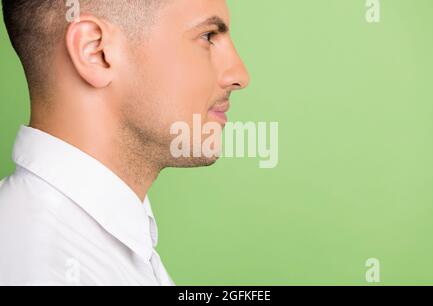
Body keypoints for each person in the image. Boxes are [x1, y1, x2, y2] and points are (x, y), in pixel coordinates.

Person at [0, 0, 249, 285]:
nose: (239, 75)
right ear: (96, 52)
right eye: (208, 36)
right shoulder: (46, 270)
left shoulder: (90, 243)